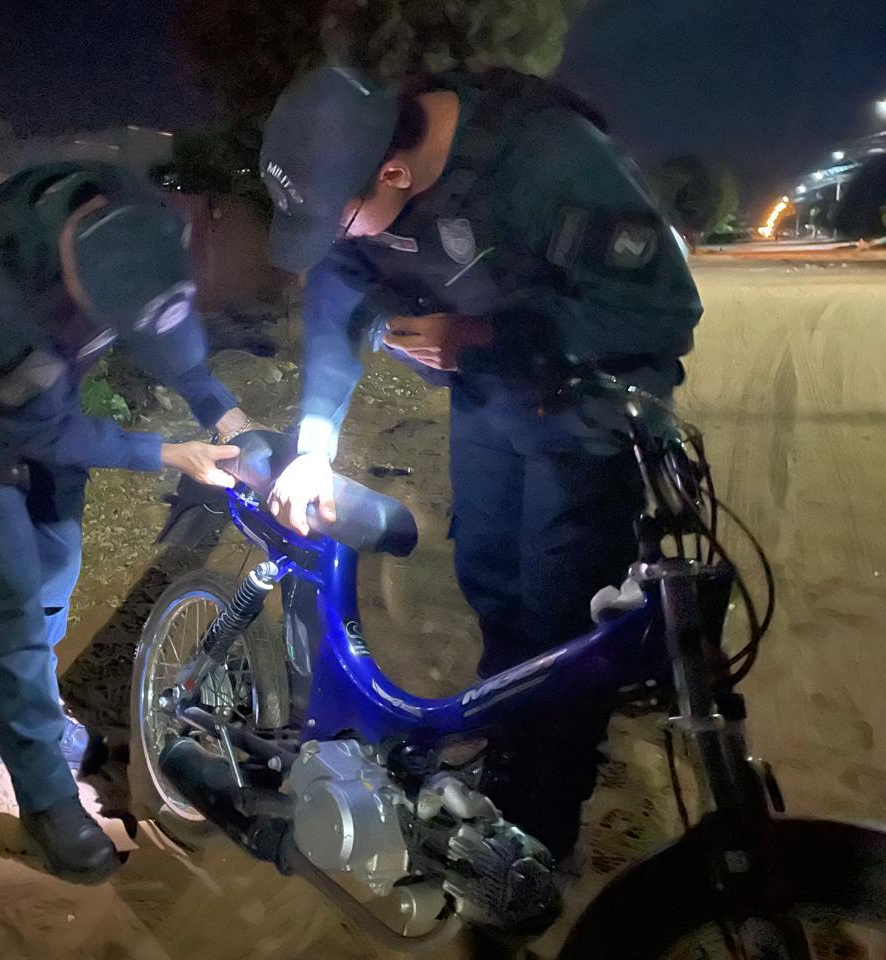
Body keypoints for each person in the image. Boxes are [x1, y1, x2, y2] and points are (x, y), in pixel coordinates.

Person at [259, 66, 702, 858]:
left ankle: (542, 830)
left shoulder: (549, 161)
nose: (345, 235)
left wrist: (479, 338)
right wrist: (315, 446)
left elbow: (658, 313)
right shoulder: (364, 181)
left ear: (393, 171)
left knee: (564, 614)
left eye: (346, 218)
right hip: (492, 399)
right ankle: (505, 759)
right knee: (494, 583)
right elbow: (335, 300)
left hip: (591, 406)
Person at [0, 162, 251, 883]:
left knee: (60, 560)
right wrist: (167, 452)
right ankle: (44, 796)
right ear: (77, 280)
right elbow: (47, 434)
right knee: (16, 591)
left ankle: (32, 705)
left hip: (45, 403)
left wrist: (224, 410)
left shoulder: (131, 218)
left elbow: (164, 324)